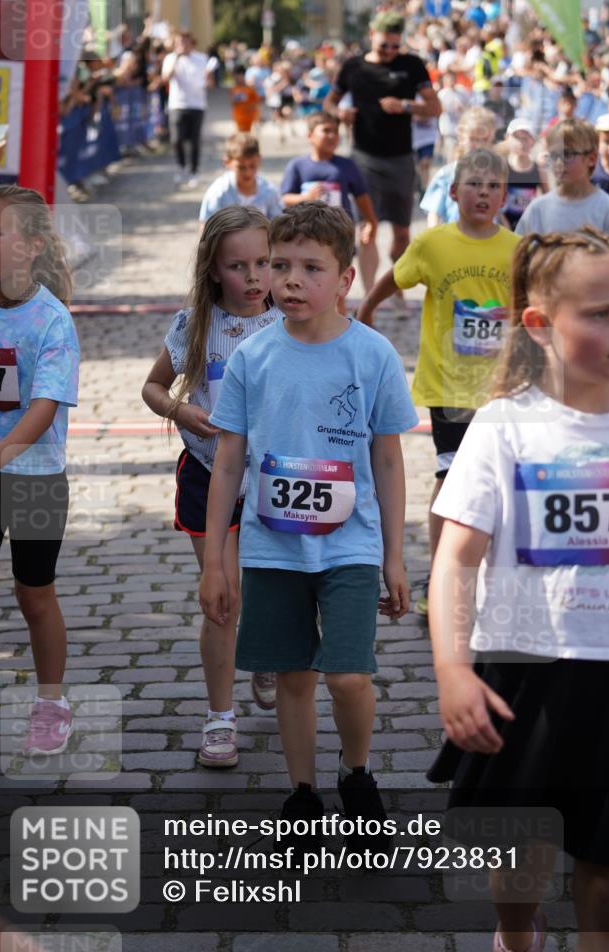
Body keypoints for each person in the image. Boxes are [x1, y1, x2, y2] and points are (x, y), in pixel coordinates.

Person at [427, 227, 609, 952]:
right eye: (601, 313)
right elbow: (455, 557)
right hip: (525, 671)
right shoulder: (503, 426)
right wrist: (453, 671)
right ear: (540, 325)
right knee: (518, 862)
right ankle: (515, 935)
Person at [199, 202, 417, 838]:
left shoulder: (372, 355)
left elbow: (389, 459)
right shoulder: (252, 358)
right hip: (272, 548)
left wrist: (394, 555)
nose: (288, 280)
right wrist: (217, 559)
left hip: (350, 545)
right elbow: (230, 462)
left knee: (349, 676)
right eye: (278, 265)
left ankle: (356, 771)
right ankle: (302, 792)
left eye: (309, 268)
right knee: (293, 676)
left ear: (346, 279)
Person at [142, 206, 281, 768]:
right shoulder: (195, 324)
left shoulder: (288, 320)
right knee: (222, 599)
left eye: (264, 263)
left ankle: (268, 654)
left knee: (271, 594)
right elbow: (152, 387)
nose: (253, 278)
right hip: (207, 473)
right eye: (238, 266)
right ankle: (220, 718)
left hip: (276, 479)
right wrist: (180, 409)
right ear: (213, 270)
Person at [357, 149, 519, 615]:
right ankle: (440, 572)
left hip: (499, 388)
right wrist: (367, 308)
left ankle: (488, 572)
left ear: (504, 195)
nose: (483, 194)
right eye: (474, 185)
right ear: (453, 193)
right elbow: (397, 276)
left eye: (493, 187)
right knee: (451, 476)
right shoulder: (434, 244)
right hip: (448, 386)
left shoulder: (514, 249)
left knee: (497, 482)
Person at [0, 185, 80, 775]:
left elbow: (44, 403)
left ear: (31, 245)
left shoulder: (52, 319)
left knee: (34, 593)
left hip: (36, 476)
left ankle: (50, 701)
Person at [324, 11, 441, 302]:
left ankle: (395, 284)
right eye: (383, 46)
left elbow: (435, 107)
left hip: (401, 157)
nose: (390, 52)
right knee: (367, 228)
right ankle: (369, 294)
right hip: (364, 157)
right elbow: (329, 101)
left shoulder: (412, 65)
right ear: (371, 35)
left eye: (394, 46)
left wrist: (405, 106)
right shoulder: (353, 67)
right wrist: (339, 113)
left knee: (402, 231)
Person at [516, 119, 609, 251]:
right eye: (553, 154)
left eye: (567, 154)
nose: (558, 162)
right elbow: (518, 252)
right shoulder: (538, 209)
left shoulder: (606, 209)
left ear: (591, 159)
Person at [280, 112, 378, 245]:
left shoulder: (347, 165)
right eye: (326, 131)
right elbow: (285, 199)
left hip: (339, 234)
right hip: (306, 234)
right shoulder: (297, 165)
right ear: (310, 136)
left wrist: (371, 221)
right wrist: (306, 198)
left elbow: (361, 196)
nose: (332, 136)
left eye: (336, 131)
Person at [420, 106, 497, 227]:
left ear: (492, 137)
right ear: (462, 137)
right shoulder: (447, 174)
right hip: (454, 240)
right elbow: (434, 214)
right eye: (473, 139)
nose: (478, 145)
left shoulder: (497, 175)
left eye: (484, 140)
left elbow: (500, 214)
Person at [162, 31, 215, 188]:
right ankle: (181, 166)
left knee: (194, 140)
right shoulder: (170, 58)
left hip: (197, 104)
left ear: (192, 43)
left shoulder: (201, 59)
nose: (182, 46)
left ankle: (194, 171)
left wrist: (209, 77)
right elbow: (165, 79)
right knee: (176, 139)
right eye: (179, 43)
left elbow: (210, 84)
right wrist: (176, 60)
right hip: (177, 104)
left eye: (185, 42)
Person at [199, 134, 282, 227]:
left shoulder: (269, 191)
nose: (248, 172)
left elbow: (278, 227)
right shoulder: (218, 193)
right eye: (241, 167)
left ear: (259, 159)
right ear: (227, 162)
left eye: (252, 166)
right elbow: (206, 228)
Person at [502, 118, 547, 231]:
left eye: (525, 138)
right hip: (504, 226)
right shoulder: (503, 168)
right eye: (517, 138)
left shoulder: (538, 169)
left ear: (532, 141)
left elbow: (548, 198)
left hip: (529, 227)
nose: (521, 143)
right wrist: (504, 224)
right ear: (508, 139)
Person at [228, 65, 261, 134]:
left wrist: (250, 109)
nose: (236, 78)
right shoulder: (233, 89)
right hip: (238, 117)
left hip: (250, 118)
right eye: (234, 76)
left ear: (243, 75)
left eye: (238, 76)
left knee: (249, 137)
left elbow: (257, 103)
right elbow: (232, 102)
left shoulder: (250, 89)